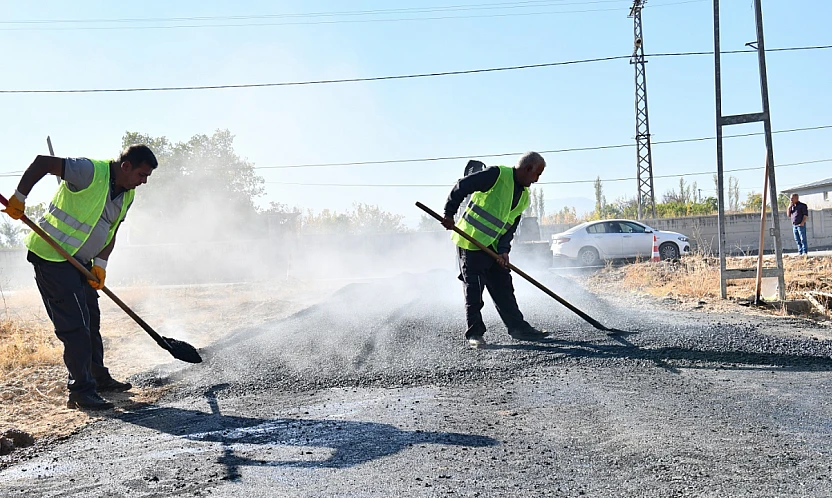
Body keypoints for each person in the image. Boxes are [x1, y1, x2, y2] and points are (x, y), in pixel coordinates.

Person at [1, 145, 158, 410]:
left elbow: (112, 230)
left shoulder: (127, 195)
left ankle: (98, 378)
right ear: (126, 166)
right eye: (142, 174)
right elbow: (42, 163)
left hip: (81, 263)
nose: (143, 182)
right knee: (75, 326)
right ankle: (81, 392)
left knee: (91, 319)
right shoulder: (89, 171)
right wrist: (19, 197)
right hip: (52, 257)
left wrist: (101, 265)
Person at [441, 152, 550, 349]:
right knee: (474, 290)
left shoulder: (524, 196)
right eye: (537, 174)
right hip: (471, 241)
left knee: (504, 288)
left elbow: (510, 226)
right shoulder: (496, 175)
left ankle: (518, 329)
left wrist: (504, 250)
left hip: (492, 247)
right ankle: (475, 334)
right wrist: (448, 213)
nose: (537, 179)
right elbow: (462, 186)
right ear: (528, 169)